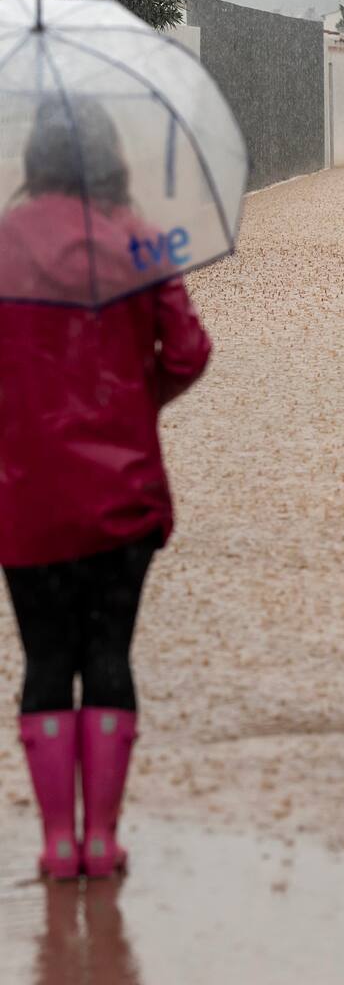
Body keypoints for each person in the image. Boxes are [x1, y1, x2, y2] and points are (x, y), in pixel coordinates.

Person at [0, 98, 211, 880]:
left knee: (46, 659)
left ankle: (56, 845)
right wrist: (128, 402)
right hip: (123, 495)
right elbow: (187, 351)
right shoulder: (140, 239)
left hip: (25, 498)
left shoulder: (2, 243)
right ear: (110, 157)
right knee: (109, 653)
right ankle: (103, 841)